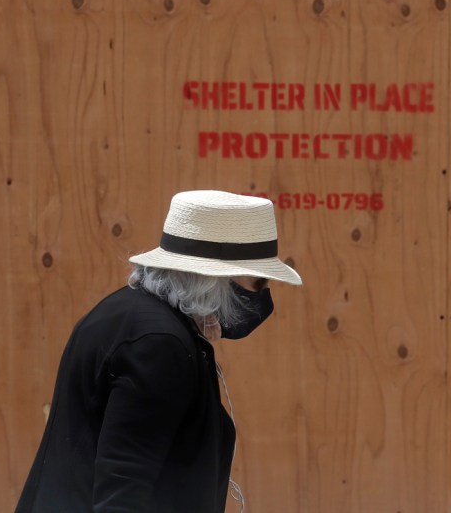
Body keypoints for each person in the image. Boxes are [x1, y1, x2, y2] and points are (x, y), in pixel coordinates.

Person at [15, 190, 302, 512]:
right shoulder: (158, 344)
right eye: (259, 282)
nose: (261, 296)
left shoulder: (129, 315)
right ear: (219, 279)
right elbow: (123, 487)